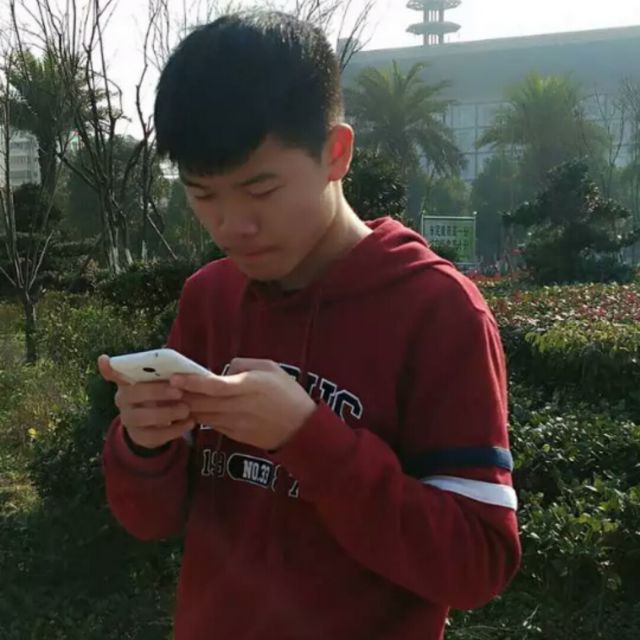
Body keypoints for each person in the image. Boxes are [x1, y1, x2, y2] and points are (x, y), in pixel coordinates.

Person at [99, 11, 521, 640]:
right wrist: (143, 443)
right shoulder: (210, 299)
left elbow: (477, 564)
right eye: (204, 195)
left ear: (336, 153)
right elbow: (149, 519)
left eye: (261, 189)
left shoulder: (438, 312)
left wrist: (307, 436)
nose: (233, 226)